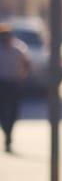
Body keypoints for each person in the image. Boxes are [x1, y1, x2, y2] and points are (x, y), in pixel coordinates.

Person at [0, 23, 31, 153]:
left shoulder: (18, 48)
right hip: (1, 82)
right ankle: (6, 132)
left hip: (13, 82)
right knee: (1, 111)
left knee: (14, 110)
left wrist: (22, 75)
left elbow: (27, 63)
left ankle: (9, 133)